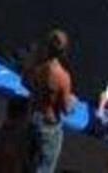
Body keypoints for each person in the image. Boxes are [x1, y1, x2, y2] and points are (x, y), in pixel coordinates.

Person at [21, 29, 73, 173]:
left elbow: (25, 81)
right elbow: (65, 109)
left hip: (33, 116)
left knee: (26, 163)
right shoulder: (63, 77)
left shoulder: (38, 68)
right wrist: (72, 102)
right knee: (44, 167)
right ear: (64, 52)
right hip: (49, 125)